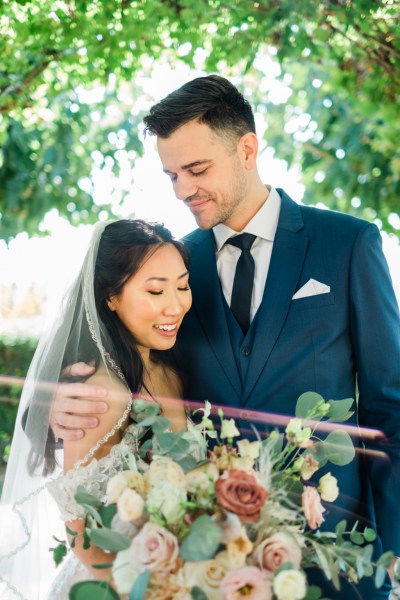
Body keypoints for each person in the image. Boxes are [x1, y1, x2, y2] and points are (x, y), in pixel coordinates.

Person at [51, 75, 400, 598]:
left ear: (247, 149)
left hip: (339, 559)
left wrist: (392, 555)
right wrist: (68, 401)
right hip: (212, 570)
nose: (183, 189)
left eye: (196, 169)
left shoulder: (348, 243)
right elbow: (136, 363)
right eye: (171, 175)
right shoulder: (176, 266)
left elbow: (389, 410)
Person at [0, 219, 193, 599]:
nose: (175, 305)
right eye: (155, 291)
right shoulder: (98, 394)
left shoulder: (171, 370)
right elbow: (83, 537)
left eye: (183, 286)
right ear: (110, 297)